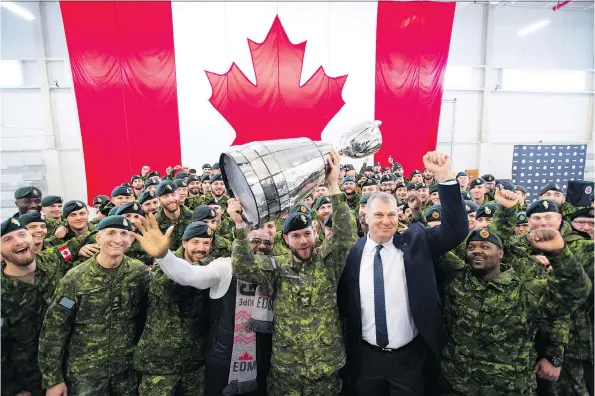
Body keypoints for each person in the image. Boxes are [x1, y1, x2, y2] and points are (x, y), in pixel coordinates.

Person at [338, 151, 469, 396]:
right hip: (366, 358)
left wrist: (444, 177)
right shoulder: (352, 254)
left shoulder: (417, 241)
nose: (386, 221)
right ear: (365, 216)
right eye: (378, 215)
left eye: (392, 215)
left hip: (411, 359)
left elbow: (456, 229)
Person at [228, 149, 357, 395]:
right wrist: (239, 226)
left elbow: (346, 235)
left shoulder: (328, 263)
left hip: (324, 368)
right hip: (287, 370)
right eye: (296, 236)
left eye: (307, 233)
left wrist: (333, 184)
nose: (303, 241)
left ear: (315, 233)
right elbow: (243, 267)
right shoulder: (276, 267)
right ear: (286, 239)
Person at [38, 215, 150, 396]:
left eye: (124, 233)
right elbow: (55, 328)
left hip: (126, 375)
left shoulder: (139, 273)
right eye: (111, 233)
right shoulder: (75, 278)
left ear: (130, 239)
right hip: (85, 376)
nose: (118, 239)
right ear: (98, 238)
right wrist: (53, 380)